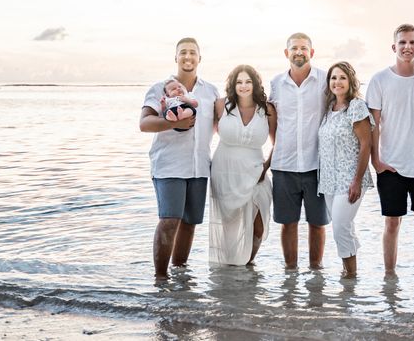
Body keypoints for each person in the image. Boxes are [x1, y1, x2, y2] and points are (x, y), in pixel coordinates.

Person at [139, 37, 219, 279]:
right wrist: (172, 122)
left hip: (199, 167)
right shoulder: (159, 88)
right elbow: (144, 123)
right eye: (183, 52)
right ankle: (161, 280)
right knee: (170, 219)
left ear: (199, 58)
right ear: (176, 58)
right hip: (169, 165)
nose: (188, 57)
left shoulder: (211, 91)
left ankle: (180, 275)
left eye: (192, 53)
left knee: (190, 222)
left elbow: (219, 123)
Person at [366, 23, 414, 275]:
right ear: (394, 47)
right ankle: (389, 277)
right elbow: (373, 125)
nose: (407, 47)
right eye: (402, 43)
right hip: (391, 164)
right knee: (392, 222)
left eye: (412, 42)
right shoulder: (380, 80)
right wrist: (376, 160)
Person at [268, 32, 329, 269]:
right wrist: (280, 144)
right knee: (288, 222)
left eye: (304, 48)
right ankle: (290, 273)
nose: (299, 52)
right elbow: (273, 123)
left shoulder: (325, 80)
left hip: (318, 165)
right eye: (294, 48)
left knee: (317, 223)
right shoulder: (276, 84)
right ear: (287, 53)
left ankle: (316, 273)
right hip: (284, 164)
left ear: (311, 52)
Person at [209, 65, 275, 266]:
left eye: (248, 81)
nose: (244, 86)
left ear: (255, 84)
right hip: (224, 170)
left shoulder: (267, 109)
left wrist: (267, 166)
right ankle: (230, 272)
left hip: (256, 171)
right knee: (229, 224)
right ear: (233, 84)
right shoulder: (221, 105)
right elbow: (205, 136)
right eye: (239, 82)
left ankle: (247, 265)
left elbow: (278, 141)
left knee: (259, 225)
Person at [317, 61, 374, 278]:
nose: (337, 82)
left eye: (342, 77)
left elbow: (366, 145)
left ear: (350, 81)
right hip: (329, 181)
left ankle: (350, 275)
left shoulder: (356, 107)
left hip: (350, 178)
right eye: (333, 78)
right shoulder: (328, 110)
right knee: (342, 228)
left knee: (341, 226)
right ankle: (349, 276)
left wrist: (357, 180)